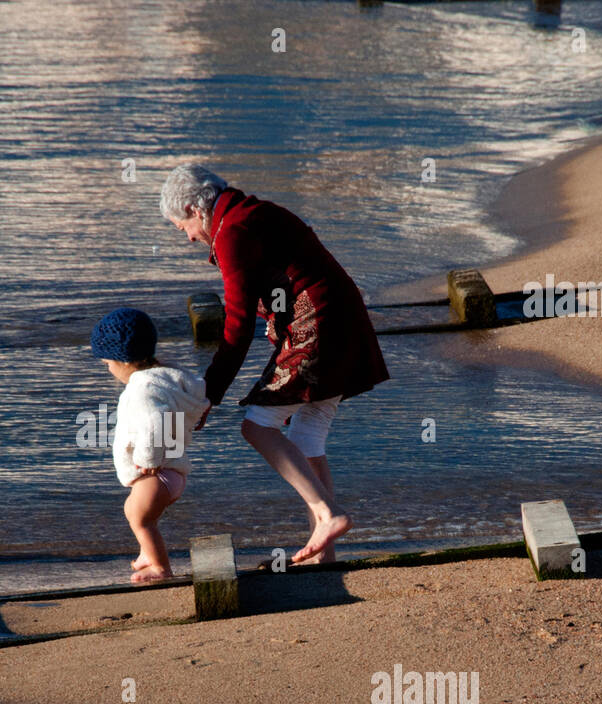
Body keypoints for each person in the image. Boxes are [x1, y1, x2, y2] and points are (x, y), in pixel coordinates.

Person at [160, 164, 390, 564]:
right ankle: (325, 554)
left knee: (256, 425)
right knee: (307, 437)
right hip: (342, 319)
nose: (189, 237)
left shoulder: (231, 232)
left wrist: (210, 393)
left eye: (182, 228)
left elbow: (236, 324)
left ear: (195, 210)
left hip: (318, 325)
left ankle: (328, 514)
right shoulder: (250, 212)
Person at [91, 308, 211, 583]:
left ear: (122, 361)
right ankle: (148, 554)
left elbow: (155, 422)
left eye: (107, 363)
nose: (108, 369)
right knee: (137, 513)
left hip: (158, 474)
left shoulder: (142, 389)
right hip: (171, 473)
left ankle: (160, 567)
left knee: (139, 516)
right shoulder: (166, 380)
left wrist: (148, 460)